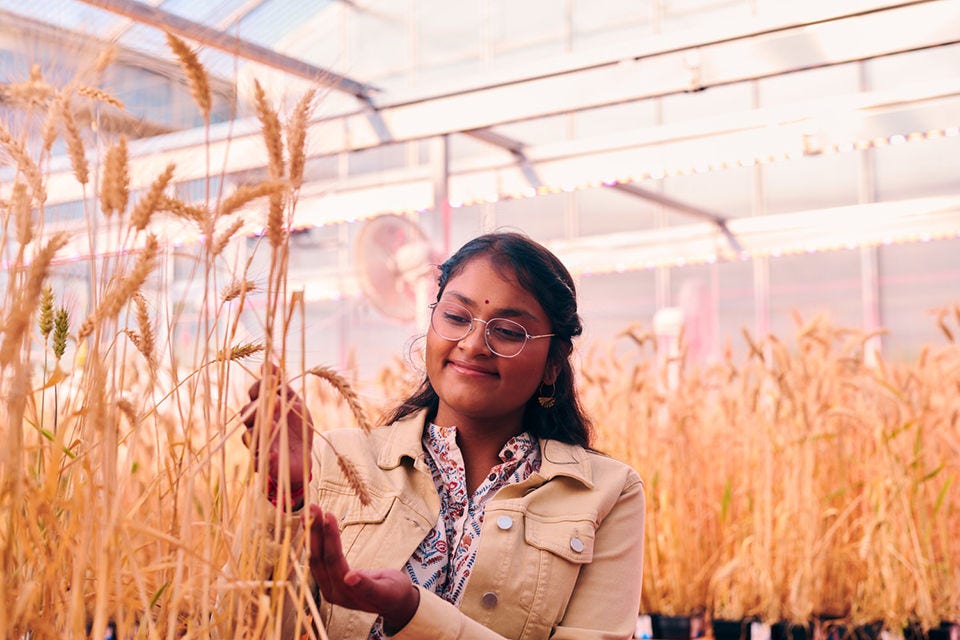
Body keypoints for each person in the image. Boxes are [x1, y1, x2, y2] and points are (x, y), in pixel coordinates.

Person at [240, 231, 645, 639]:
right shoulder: (336, 461)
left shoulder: (607, 492)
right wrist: (286, 497)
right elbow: (243, 623)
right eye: (455, 317)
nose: (472, 344)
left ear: (553, 363)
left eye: (507, 331)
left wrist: (412, 614)